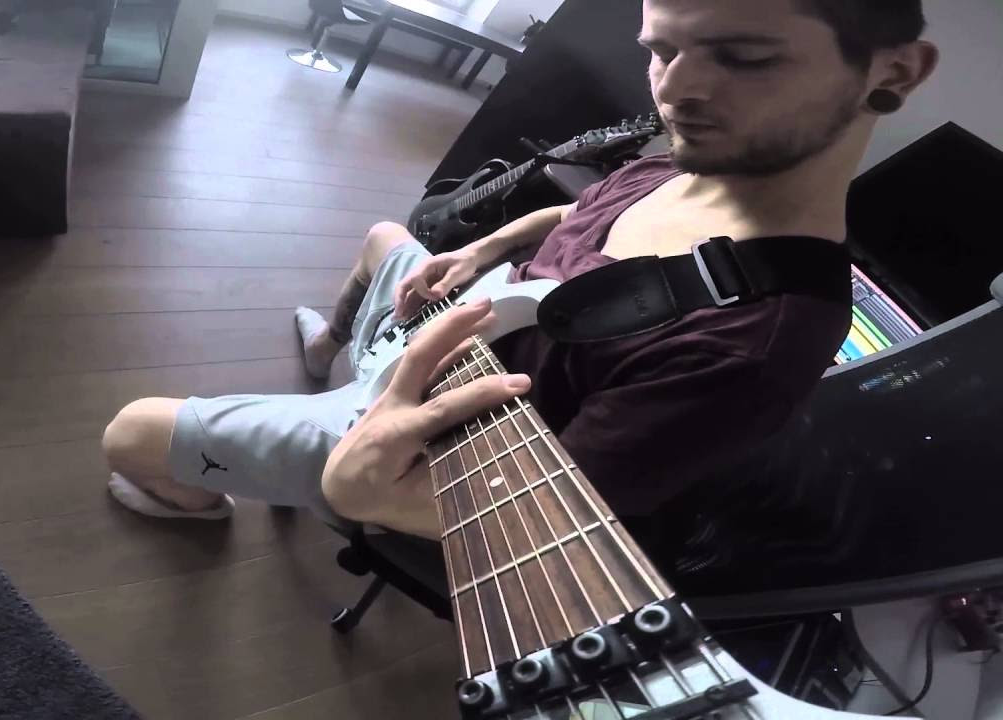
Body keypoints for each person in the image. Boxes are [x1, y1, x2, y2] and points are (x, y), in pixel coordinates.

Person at [101, 0, 938, 541]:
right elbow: (575, 218)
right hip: (452, 323)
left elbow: (545, 516)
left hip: (429, 437)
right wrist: (479, 250)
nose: (676, 90)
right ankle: (332, 348)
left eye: (744, 57)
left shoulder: (760, 340)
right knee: (386, 234)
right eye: (662, 51)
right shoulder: (686, 162)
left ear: (894, 71)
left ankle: (204, 501)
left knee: (132, 433)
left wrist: (365, 494)